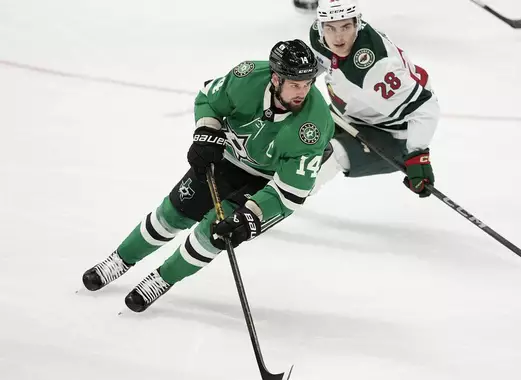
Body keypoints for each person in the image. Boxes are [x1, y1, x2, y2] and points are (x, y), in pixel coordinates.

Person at [82, 39, 334, 313]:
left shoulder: (314, 124)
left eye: (308, 83)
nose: (302, 91)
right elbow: (207, 99)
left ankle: (162, 279)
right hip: (226, 159)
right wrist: (207, 131)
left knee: (215, 232)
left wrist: (252, 215)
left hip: (267, 182)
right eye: (295, 84)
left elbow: (291, 193)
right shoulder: (247, 76)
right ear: (275, 78)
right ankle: (119, 260)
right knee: (173, 212)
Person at [309, 0, 440, 197]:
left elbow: (425, 108)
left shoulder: (376, 67)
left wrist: (417, 154)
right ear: (320, 27)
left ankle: (276, 202)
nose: (338, 37)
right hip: (347, 117)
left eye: (346, 26)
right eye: (330, 28)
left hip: (392, 137)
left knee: (326, 157)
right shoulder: (320, 38)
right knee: (296, 133)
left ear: (357, 23)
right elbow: (323, 61)